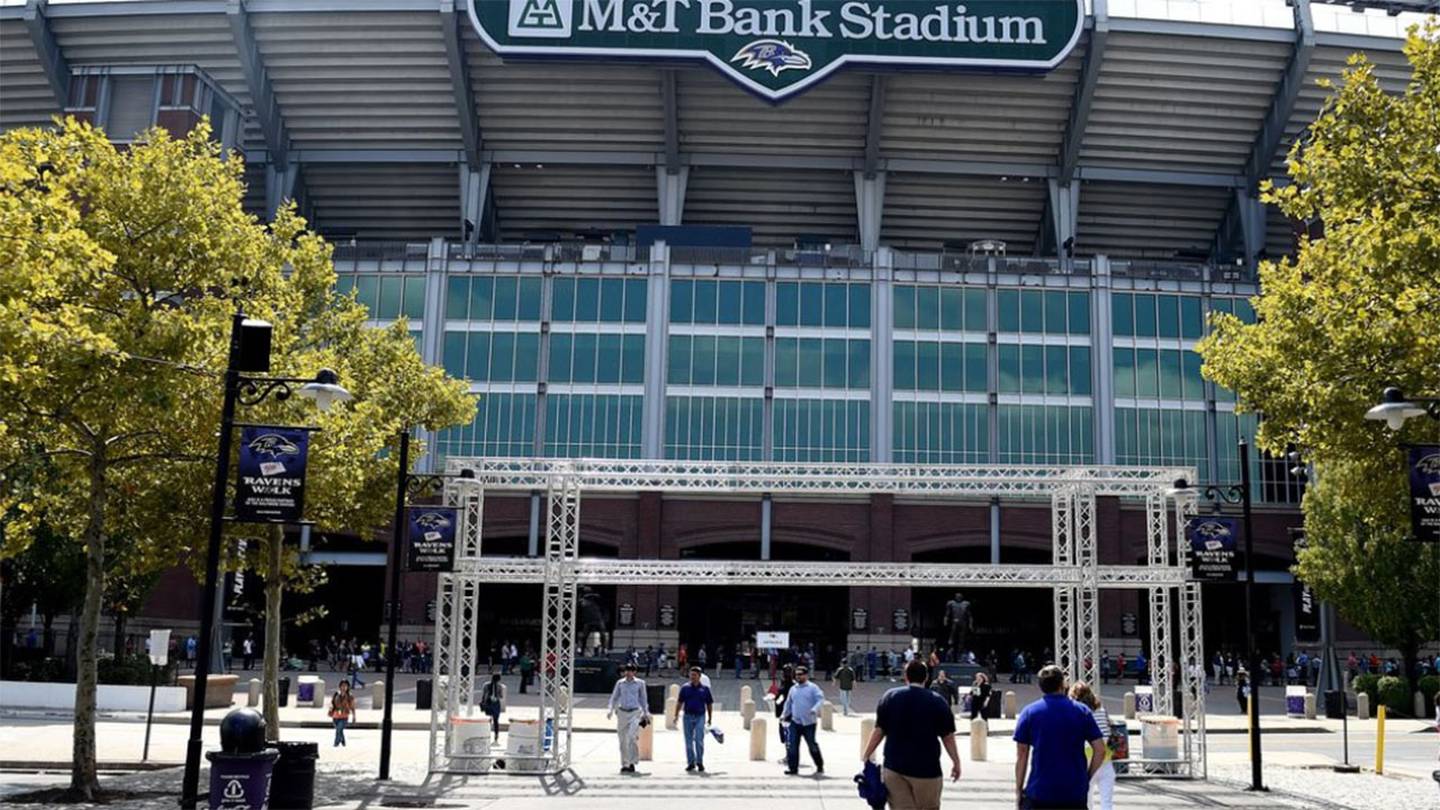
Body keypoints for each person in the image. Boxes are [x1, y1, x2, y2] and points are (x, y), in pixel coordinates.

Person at [862, 660, 962, 810]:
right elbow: (948, 737)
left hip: (895, 767)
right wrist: (956, 762)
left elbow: (879, 730)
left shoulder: (890, 697)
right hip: (927, 769)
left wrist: (867, 754)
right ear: (926, 678)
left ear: (906, 676)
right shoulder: (938, 701)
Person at [1013, 664, 1105, 809]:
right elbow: (1100, 750)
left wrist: (1018, 790)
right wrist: (1086, 777)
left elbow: (1022, 754)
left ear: (1041, 686)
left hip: (1040, 790)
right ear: (1063, 684)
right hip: (1074, 791)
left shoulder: (1029, 712)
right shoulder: (1082, 711)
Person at [1070, 681, 1115, 810]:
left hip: (1085, 758)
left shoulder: (1077, 712)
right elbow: (1108, 730)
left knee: (1087, 799)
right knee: (1107, 801)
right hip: (1105, 758)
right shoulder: (1101, 710)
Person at [606, 663, 651, 774]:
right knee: (622, 741)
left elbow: (643, 699)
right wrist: (610, 709)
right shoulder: (620, 683)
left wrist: (646, 712)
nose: (628, 672)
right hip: (622, 713)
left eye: (630, 670)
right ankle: (625, 763)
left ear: (634, 672)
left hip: (635, 712)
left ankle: (632, 762)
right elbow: (614, 697)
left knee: (631, 737)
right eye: (626, 670)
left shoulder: (640, 683)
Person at [781, 665, 825, 775]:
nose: (798, 677)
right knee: (792, 745)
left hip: (809, 723)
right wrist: (784, 714)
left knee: (812, 745)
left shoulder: (813, 688)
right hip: (795, 722)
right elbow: (788, 703)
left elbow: (820, 699)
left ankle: (819, 765)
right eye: (796, 675)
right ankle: (793, 768)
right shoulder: (793, 689)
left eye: (800, 675)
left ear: (806, 675)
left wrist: (815, 709)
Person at [673, 667, 714, 772]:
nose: (692, 677)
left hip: (700, 716)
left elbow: (709, 704)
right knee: (688, 741)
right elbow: (680, 702)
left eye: (695, 675)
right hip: (687, 716)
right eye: (691, 675)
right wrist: (676, 715)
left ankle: (700, 761)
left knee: (699, 740)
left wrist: (710, 718)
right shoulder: (685, 688)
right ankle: (691, 762)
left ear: (699, 676)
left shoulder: (704, 689)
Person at [480, 672, 506, 746]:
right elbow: (501, 696)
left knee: (489, 719)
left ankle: (487, 734)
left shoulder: (486, 685)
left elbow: (483, 695)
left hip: (488, 703)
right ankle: (496, 735)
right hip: (495, 704)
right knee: (496, 720)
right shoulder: (499, 686)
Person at [329, 680, 356, 747]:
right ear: (340, 686)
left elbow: (352, 707)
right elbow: (332, 702)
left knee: (338, 730)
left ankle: (336, 743)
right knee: (339, 730)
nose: (343, 687)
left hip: (344, 716)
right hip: (336, 715)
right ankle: (343, 741)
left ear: (348, 687)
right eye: (342, 686)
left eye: (345, 686)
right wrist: (331, 708)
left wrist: (354, 716)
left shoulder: (350, 696)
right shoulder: (336, 694)